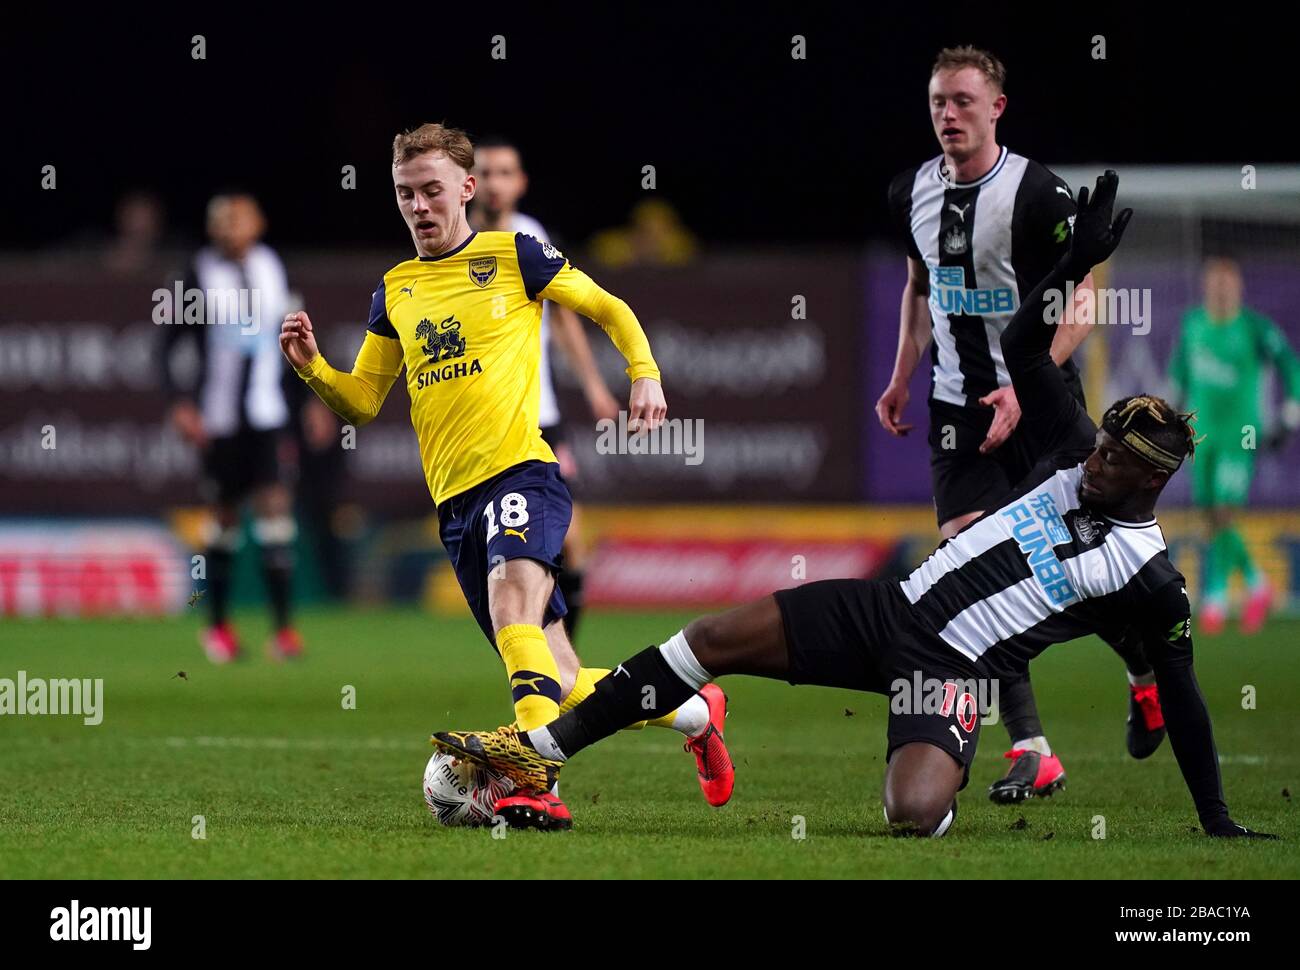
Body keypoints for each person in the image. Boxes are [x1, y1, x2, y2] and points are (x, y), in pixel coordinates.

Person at [435, 172, 1274, 841]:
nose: (1095, 464)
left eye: (1114, 463)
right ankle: (536, 756)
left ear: (1151, 481)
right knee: (709, 639)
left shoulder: (1152, 577)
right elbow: (1023, 348)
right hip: (888, 610)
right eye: (1099, 449)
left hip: (946, 672)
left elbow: (1194, 704)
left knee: (910, 815)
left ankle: (980, 751)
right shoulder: (1071, 446)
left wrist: (1219, 822)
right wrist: (1071, 268)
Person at [280, 124, 732, 830]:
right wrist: (312, 367)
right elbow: (362, 402)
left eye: (433, 190)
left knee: (511, 602)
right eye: (406, 194)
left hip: (523, 470)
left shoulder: (512, 253)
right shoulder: (394, 290)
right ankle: (695, 713)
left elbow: (607, 307)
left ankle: (534, 782)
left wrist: (644, 374)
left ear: (466, 188)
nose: (420, 206)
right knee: (561, 677)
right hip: (455, 506)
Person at [876, 46, 1163, 803]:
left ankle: (1144, 675)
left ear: (997, 107)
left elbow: (1087, 299)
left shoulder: (1038, 193)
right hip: (952, 410)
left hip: (1041, 406)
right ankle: (1032, 748)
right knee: (971, 571)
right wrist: (902, 374)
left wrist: (1020, 384)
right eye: (938, 101)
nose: (949, 115)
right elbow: (916, 289)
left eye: (964, 101)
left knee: (1067, 569)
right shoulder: (910, 191)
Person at [469, 135, 621, 640]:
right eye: (485, 173)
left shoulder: (531, 237)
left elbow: (564, 321)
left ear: (520, 183)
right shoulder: (452, 240)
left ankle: (561, 670)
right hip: (482, 419)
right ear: (469, 183)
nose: (494, 183)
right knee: (504, 555)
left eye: (504, 173)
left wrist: (596, 387)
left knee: (571, 542)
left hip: (540, 415)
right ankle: (539, 669)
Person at [161, 193, 305, 663]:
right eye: (220, 220)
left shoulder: (272, 266)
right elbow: (165, 344)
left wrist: (311, 400)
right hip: (219, 419)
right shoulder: (197, 274)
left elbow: (295, 335)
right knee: (222, 522)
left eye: (237, 219)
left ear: (257, 224)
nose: (228, 227)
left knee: (274, 515)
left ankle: (283, 632)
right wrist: (180, 403)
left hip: (265, 413)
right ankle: (217, 628)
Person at [1168, 257, 1300, 634]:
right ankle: (1257, 584)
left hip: (1241, 436)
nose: (1222, 291)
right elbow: (1179, 374)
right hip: (1202, 436)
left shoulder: (1255, 328)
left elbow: (1290, 365)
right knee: (1210, 516)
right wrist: (1171, 416)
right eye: (1215, 284)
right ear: (1207, 287)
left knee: (1225, 510)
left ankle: (1216, 595)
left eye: (1228, 284)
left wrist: (1290, 411)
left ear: (1239, 288)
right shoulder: (1192, 325)